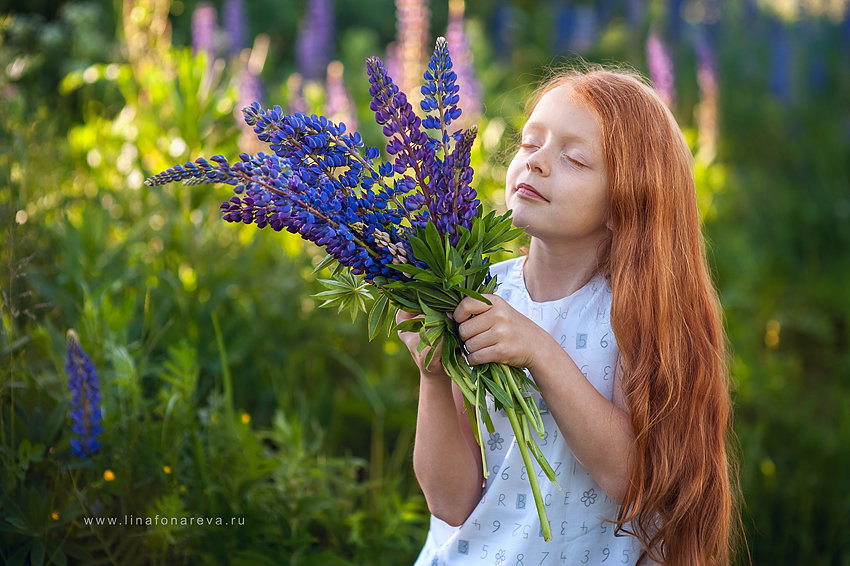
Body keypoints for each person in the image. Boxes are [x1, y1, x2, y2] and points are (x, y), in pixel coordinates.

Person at [397, 65, 741, 565]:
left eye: (575, 158)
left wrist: (538, 350)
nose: (536, 163)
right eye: (529, 143)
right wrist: (431, 375)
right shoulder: (478, 291)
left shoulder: (634, 313)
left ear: (630, 198)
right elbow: (451, 503)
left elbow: (633, 480)